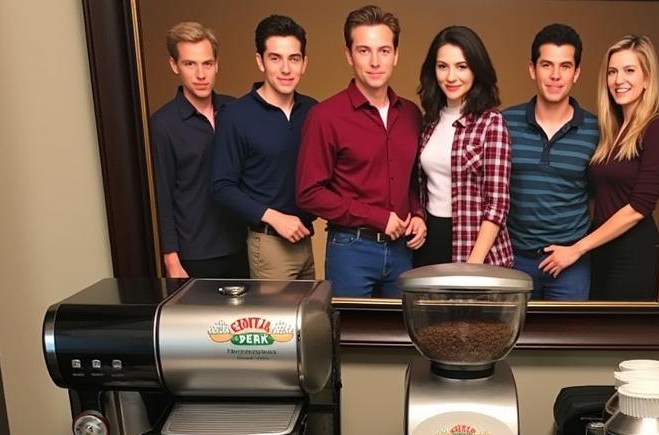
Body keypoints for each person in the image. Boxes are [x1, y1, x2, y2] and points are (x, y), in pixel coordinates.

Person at [296, 6, 426, 297]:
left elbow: (413, 181)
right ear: (349, 55)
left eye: (383, 50)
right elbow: (309, 193)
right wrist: (377, 218)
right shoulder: (325, 116)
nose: (375, 61)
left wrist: (417, 214)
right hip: (352, 250)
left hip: (403, 251)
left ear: (396, 55)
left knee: (401, 338)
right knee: (350, 336)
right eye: (364, 50)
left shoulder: (411, 114)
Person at [539, 34, 659, 301]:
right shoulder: (610, 129)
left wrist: (577, 248)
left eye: (629, 70)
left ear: (647, 78)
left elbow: (639, 207)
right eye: (612, 72)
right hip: (600, 249)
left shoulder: (657, 127)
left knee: (620, 334)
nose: (619, 80)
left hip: (632, 253)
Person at [211, 15, 316, 280]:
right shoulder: (236, 114)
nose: (286, 68)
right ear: (260, 61)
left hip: (305, 239)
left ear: (304, 63)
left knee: (310, 320)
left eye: (294, 58)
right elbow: (221, 186)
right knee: (278, 322)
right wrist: (275, 218)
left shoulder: (313, 111)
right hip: (269, 244)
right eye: (275, 58)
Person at [502, 24, 599, 298]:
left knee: (567, 338)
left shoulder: (596, 130)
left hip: (571, 261)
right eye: (547, 65)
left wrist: (577, 248)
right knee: (509, 338)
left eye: (565, 66)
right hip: (515, 259)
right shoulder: (505, 122)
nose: (555, 76)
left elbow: (599, 195)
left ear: (576, 73)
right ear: (532, 69)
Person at [149, 22, 246, 278]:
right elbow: (162, 196)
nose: (201, 74)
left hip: (242, 244)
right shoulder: (163, 124)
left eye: (207, 64)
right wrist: (171, 258)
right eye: (190, 64)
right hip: (196, 253)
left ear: (217, 64)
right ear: (174, 66)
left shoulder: (235, 110)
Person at [414, 26, 512, 268]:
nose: (451, 77)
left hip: (474, 249)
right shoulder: (429, 121)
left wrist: (472, 265)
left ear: (476, 70)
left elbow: (497, 204)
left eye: (461, 67)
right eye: (442, 66)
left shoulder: (491, 123)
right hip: (430, 241)